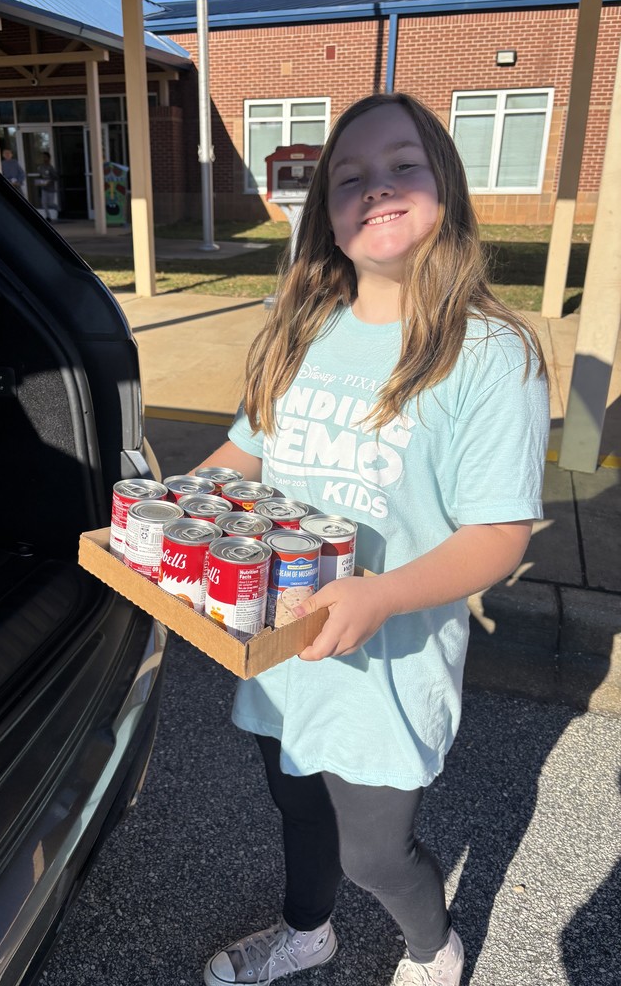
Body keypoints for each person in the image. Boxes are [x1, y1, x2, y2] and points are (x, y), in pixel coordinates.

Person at [194, 92, 550, 986]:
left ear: (446, 185)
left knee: (375, 855)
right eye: (348, 178)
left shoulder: (492, 353)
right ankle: (307, 933)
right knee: (296, 808)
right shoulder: (302, 327)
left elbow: (500, 532)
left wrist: (382, 593)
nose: (376, 188)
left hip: (385, 664)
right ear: (327, 214)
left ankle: (435, 951)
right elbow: (248, 449)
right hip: (282, 647)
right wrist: (177, 502)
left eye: (402, 166)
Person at [36, 151, 59, 221]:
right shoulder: (40, 167)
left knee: (50, 204)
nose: (43, 158)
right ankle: (48, 217)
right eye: (42, 157)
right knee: (44, 204)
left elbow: (56, 177)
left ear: (48, 158)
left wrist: (50, 180)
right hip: (44, 188)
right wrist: (39, 182)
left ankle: (59, 210)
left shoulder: (50, 167)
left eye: (45, 157)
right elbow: (40, 176)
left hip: (51, 189)